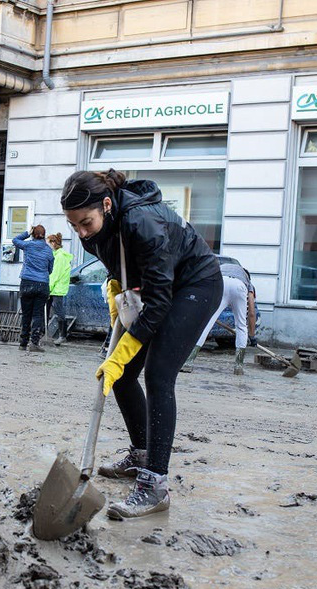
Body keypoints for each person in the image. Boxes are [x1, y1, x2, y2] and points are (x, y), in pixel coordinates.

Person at [61, 169, 222, 519]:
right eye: (75, 226)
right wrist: (117, 290)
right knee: (119, 375)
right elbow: (125, 272)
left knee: (159, 373)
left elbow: (161, 300)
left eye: (86, 223)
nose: (81, 233)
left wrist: (125, 348)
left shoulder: (143, 221)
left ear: (106, 204)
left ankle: (155, 484)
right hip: (156, 290)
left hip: (196, 285)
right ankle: (141, 454)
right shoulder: (94, 233)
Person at [181, 262, 250, 375]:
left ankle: (188, 362)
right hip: (239, 287)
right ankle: (238, 367)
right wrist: (251, 335)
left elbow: (207, 284)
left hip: (220, 283)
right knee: (241, 325)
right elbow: (251, 311)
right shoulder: (246, 280)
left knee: (207, 323)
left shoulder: (221, 267)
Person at [12, 224, 54, 352]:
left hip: (27, 282)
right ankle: (34, 343)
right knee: (38, 315)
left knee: (26, 314)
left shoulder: (28, 245)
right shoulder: (48, 250)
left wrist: (27, 233)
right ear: (44, 235)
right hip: (42, 284)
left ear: (33, 234)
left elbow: (15, 240)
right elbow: (50, 269)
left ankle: (23, 343)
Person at [47, 232, 73, 345]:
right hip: (55, 287)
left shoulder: (60, 256)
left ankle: (63, 335)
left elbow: (55, 275)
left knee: (59, 311)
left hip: (57, 288)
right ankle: (42, 333)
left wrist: (48, 288)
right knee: (48, 309)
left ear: (53, 243)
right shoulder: (56, 255)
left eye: (47, 243)